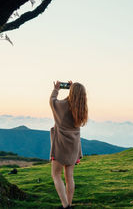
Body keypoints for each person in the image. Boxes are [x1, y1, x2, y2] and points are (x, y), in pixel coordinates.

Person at [49, 81, 88, 209]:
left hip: (61, 144)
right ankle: (69, 204)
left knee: (56, 175)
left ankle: (65, 206)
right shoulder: (81, 109)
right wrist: (73, 92)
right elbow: (72, 102)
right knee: (69, 176)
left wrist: (56, 89)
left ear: (71, 92)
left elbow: (52, 101)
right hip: (74, 145)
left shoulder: (63, 106)